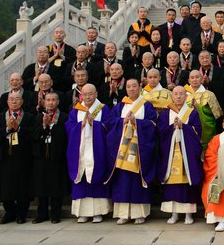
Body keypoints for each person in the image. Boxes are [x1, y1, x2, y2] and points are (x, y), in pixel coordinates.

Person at [105, 79, 157, 224]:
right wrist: (122, 121)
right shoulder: (120, 105)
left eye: (134, 86)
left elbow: (153, 124)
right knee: (122, 180)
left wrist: (136, 122)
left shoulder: (146, 105)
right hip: (122, 148)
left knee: (136, 181)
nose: (131, 89)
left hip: (139, 149)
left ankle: (139, 214)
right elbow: (110, 123)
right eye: (128, 86)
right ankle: (123, 214)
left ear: (140, 87)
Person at [66, 84, 115, 223]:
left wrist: (95, 124)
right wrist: (80, 125)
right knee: (81, 178)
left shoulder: (103, 109)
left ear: (96, 94)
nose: (87, 97)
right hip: (80, 150)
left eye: (90, 94)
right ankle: (82, 213)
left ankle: (98, 212)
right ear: (81, 95)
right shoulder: (76, 110)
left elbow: (110, 127)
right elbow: (68, 127)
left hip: (97, 150)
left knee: (97, 176)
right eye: (85, 94)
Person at [157, 86, 204, 225]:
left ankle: (188, 214)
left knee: (186, 183)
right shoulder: (166, 113)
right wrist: (172, 127)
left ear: (186, 96)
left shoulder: (192, 113)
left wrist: (184, 126)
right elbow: (160, 131)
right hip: (171, 152)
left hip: (186, 152)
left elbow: (198, 131)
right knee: (172, 184)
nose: (178, 96)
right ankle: (174, 214)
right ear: (172, 96)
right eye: (176, 94)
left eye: (181, 94)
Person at [0, 91, 34, 224]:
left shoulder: (29, 117)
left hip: (22, 156)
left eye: (17, 99)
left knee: (22, 185)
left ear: (22, 101)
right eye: (11, 99)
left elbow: (33, 134)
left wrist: (18, 128)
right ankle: (9, 212)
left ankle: (21, 213)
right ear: (7, 102)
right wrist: (6, 129)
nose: (14, 101)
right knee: (6, 186)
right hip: (5, 157)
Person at [29, 91, 69, 224]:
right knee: (42, 186)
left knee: (56, 186)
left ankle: (56, 214)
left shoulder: (64, 117)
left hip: (57, 155)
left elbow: (65, 135)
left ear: (58, 102)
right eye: (48, 100)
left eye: (53, 100)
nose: (51, 103)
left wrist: (51, 125)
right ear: (44, 102)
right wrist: (43, 125)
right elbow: (34, 135)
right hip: (41, 156)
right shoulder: (37, 117)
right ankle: (42, 214)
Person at [185, 70, 223, 151]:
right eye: (192, 78)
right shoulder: (183, 94)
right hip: (187, 128)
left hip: (206, 129)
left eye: (197, 77)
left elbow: (217, 115)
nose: (194, 80)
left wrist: (198, 108)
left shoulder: (209, 94)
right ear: (189, 80)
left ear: (202, 79)